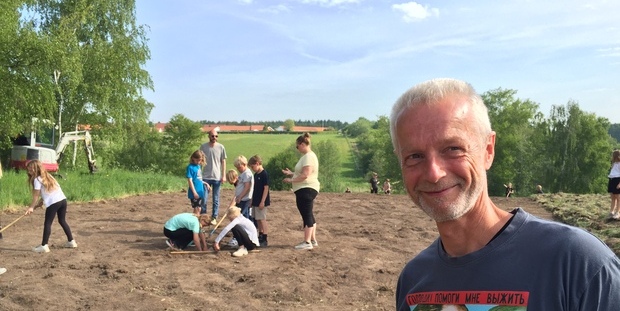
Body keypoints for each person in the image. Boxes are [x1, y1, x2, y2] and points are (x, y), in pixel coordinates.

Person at [390, 78, 620, 310]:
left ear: (488, 150)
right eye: (415, 156)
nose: (433, 173)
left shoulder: (576, 263)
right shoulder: (414, 282)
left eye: (453, 149)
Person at [24, 160, 77, 253]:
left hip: (54, 202)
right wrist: (41, 201)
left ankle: (44, 246)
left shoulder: (37, 179)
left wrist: (31, 207)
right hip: (62, 200)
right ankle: (71, 241)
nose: (29, 172)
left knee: (47, 223)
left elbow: (36, 195)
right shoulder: (48, 176)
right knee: (62, 221)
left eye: (31, 170)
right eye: (28, 170)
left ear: (36, 169)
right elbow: (48, 191)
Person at [282, 132, 320, 250]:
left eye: (297, 146)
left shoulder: (308, 156)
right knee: (309, 214)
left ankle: (307, 242)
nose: (297, 149)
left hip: (306, 189)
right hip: (306, 188)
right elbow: (302, 173)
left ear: (302, 144)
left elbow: (305, 175)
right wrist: (292, 173)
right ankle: (312, 240)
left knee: (306, 214)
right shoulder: (308, 156)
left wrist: (291, 180)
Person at [200, 129, 227, 225]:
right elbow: (200, 161)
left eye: (216, 136)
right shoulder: (203, 147)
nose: (214, 138)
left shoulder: (221, 147)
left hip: (217, 177)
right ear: (209, 136)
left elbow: (223, 161)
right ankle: (203, 217)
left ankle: (214, 217)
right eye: (212, 136)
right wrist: (199, 175)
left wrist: (223, 175)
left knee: (216, 199)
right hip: (206, 177)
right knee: (204, 198)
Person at [248, 155, 270, 247]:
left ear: (257, 163)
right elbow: (254, 189)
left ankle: (265, 237)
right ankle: (260, 235)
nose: (252, 169)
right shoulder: (256, 175)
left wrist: (262, 201)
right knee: (257, 219)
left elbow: (266, 188)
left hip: (261, 201)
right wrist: (252, 200)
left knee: (262, 219)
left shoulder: (264, 174)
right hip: (255, 200)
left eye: (252, 167)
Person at [186, 150, 209, 215]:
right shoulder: (190, 167)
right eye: (197, 160)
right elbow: (190, 181)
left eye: (200, 160)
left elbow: (198, 178)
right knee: (197, 209)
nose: (199, 162)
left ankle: (194, 222)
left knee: (199, 208)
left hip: (200, 191)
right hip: (194, 192)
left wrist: (204, 183)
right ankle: (195, 223)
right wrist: (194, 192)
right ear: (193, 158)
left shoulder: (198, 166)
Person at [233, 155, 254, 220]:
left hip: (244, 199)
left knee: (243, 216)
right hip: (242, 199)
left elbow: (247, 187)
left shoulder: (247, 174)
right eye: (237, 168)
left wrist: (240, 196)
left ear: (245, 164)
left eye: (239, 167)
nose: (238, 169)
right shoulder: (243, 173)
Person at [608, 149, 620, 219]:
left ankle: (617, 212)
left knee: (618, 197)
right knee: (613, 197)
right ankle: (611, 211)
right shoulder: (613, 163)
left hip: (617, 179)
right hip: (612, 179)